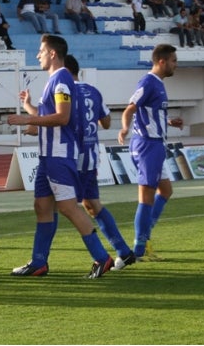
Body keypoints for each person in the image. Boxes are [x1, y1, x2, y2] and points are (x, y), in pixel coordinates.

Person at [7, 34, 114, 279]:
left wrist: (28, 119)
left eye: (41, 51)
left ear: (53, 53)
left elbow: (62, 117)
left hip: (59, 155)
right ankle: (38, 262)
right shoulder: (55, 80)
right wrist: (31, 110)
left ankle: (101, 257)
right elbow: (51, 117)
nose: (38, 55)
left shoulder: (62, 79)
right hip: (48, 156)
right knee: (42, 206)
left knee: (67, 207)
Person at [65, 54, 135, 271]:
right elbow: (106, 122)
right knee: (92, 205)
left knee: (63, 206)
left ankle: (41, 260)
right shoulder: (93, 91)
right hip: (91, 155)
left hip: (72, 157)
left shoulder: (64, 92)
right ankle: (123, 251)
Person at [117, 43, 184, 262]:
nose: (176, 64)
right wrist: (125, 128)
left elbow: (150, 113)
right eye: (173, 60)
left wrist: (169, 122)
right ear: (162, 61)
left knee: (165, 190)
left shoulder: (159, 84)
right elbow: (130, 109)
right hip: (147, 146)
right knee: (146, 198)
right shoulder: (148, 82)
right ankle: (139, 249)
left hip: (156, 144)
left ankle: (145, 236)